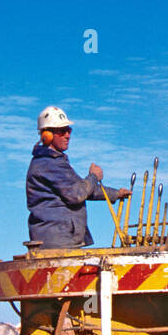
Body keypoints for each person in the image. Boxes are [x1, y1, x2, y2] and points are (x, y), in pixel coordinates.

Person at [26, 106, 130, 248]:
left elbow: (80, 187)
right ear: (47, 135)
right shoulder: (47, 164)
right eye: (62, 131)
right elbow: (77, 194)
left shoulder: (54, 161)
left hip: (62, 240)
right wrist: (94, 176)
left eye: (69, 130)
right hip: (57, 242)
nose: (68, 135)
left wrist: (115, 193)